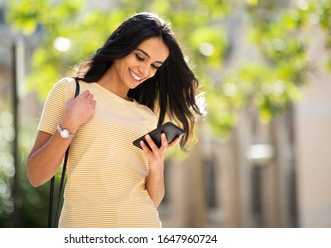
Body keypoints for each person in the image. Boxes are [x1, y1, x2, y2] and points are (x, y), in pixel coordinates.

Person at [27, 12, 203, 228]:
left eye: (155, 66)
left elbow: (152, 201)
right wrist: (68, 124)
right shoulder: (70, 91)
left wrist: (157, 165)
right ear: (122, 46)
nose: (145, 70)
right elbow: (36, 175)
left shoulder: (146, 115)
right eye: (140, 57)